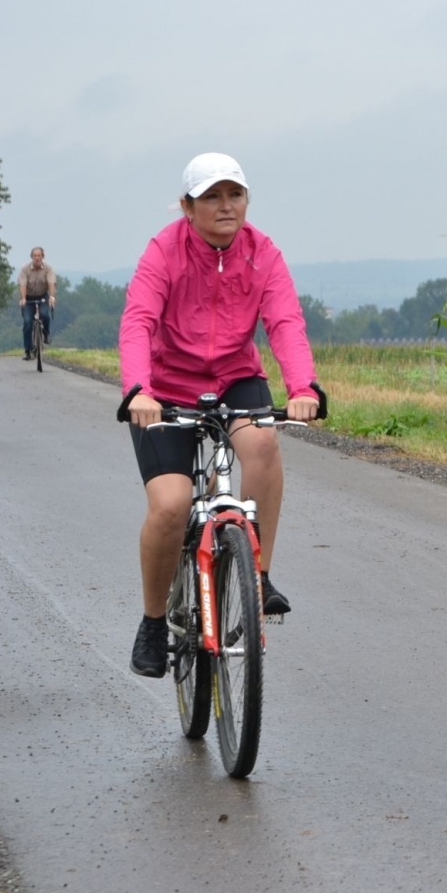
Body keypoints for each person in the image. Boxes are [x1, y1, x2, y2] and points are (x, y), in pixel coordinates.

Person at [118, 152, 322, 678]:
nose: (225, 206)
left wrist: (302, 386)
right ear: (187, 207)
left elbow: (285, 323)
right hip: (166, 387)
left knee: (263, 444)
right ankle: (154, 621)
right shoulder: (164, 252)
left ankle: (259, 577)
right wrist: (139, 390)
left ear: (247, 200)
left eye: (235, 195)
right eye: (211, 196)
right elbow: (138, 320)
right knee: (171, 503)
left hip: (235, 377)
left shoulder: (263, 254)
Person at [17, 247, 56, 359]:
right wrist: (23, 298)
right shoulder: (25, 269)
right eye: (35, 256)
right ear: (32, 257)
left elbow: (51, 283)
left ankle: (46, 334)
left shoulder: (48, 268)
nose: (37, 258)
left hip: (42, 296)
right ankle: (28, 349)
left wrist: (52, 296)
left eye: (39, 255)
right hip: (29, 298)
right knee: (27, 322)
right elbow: (23, 284)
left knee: (44, 314)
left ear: (42, 256)